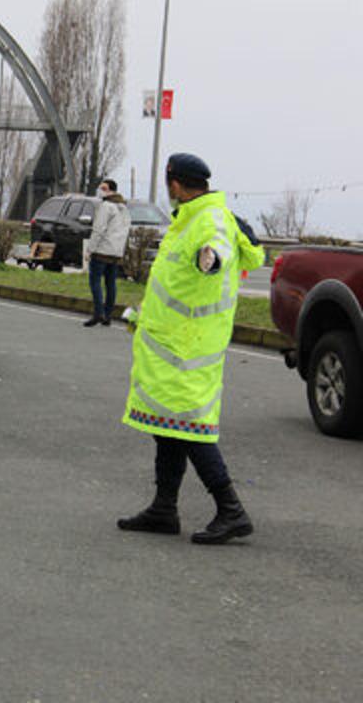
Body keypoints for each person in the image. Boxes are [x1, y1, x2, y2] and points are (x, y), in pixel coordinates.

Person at [118, 153, 264, 545]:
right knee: (167, 427)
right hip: (170, 345)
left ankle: (231, 509)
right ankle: (164, 508)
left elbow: (219, 247)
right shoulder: (188, 220)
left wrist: (212, 260)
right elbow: (174, 287)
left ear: (175, 184)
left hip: (186, 351)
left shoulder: (209, 219)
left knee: (191, 431)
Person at [83, 178, 131, 327]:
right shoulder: (124, 208)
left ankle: (98, 313)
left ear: (111, 190)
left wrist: (90, 249)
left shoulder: (106, 206)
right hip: (116, 252)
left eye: (103, 188)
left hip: (102, 249)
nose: (100, 190)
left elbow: (99, 229)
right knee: (111, 284)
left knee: (95, 281)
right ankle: (108, 315)